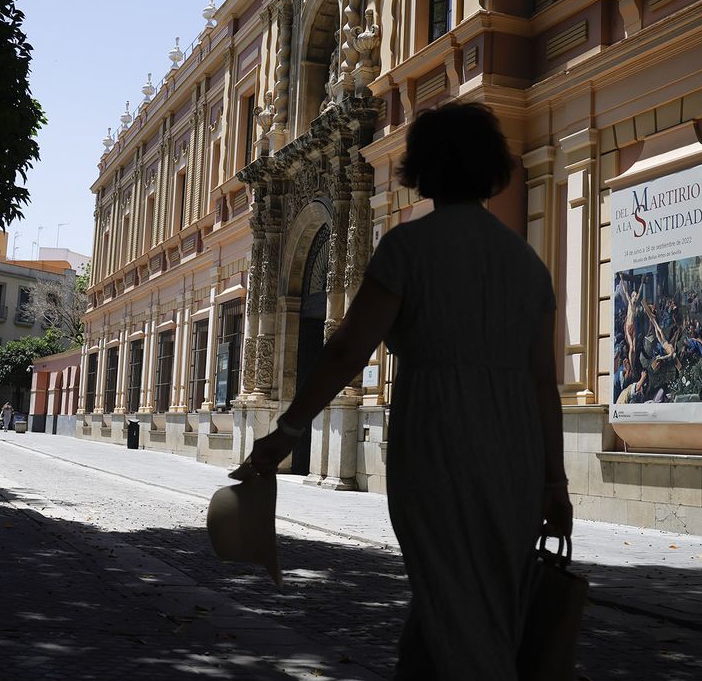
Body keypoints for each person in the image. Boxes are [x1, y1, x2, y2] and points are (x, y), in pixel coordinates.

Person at [236, 102, 572, 679]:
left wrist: (287, 431)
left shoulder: (407, 248)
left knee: (451, 601)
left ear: (425, 168)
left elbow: (345, 351)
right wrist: (555, 481)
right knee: (473, 599)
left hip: (439, 442)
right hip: (516, 453)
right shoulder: (527, 264)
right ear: (490, 168)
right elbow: (545, 382)